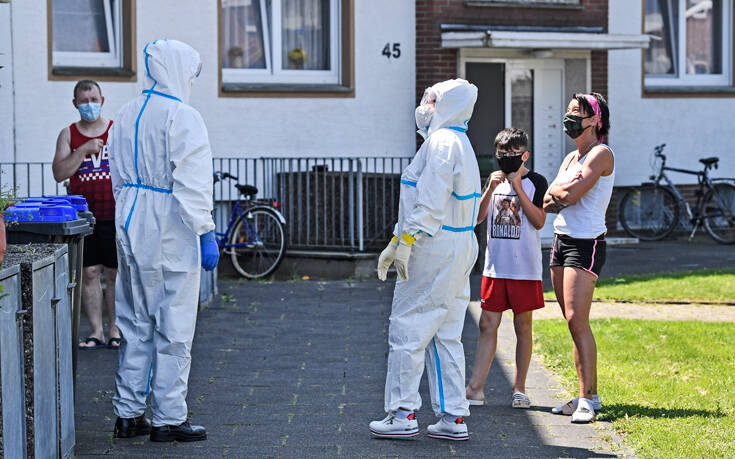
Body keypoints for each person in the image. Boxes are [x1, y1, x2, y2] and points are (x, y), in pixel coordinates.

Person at [107, 39, 219, 442]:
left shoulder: (125, 113)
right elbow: (192, 181)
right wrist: (205, 231)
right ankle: (168, 418)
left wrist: (128, 212)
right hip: (171, 223)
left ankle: (128, 414)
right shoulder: (182, 115)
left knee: (135, 319)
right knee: (174, 321)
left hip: (130, 215)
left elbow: (116, 174)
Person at [371, 79, 480, 441]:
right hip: (457, 244)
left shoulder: (441, 143)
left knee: (409, 326)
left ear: (447, 105)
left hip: (433, 245)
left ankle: (402, 413)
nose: (424, 106)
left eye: (431, 100)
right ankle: (453, 416)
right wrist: (398, 238)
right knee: (445, 333)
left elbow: (430, 202)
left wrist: (405, 240)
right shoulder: (458, 142)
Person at [543, 92, 614, 424]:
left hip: (586, 243)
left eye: (576, 113)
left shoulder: (601, 154)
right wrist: (563, 191)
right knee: (573, 323)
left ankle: (586, 400)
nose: (569, 117)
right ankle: (589, 395)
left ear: (595, 120)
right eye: (568, 111)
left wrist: (563, 192)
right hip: (561, 240)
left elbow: (569, 195)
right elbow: (548, 201)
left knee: (577, 320)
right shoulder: (572, 158)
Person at [465, 128, 548, 410]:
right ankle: (475, 388)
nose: (506, 158)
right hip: (495, 268)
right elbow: (477, 218)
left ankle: (520, 389)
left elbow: (539, 221)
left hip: (524, 269)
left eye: (512, 154)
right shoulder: (494, 181)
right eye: (501, 154)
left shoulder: (536, 182)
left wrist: (518, 188)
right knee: (487, 324)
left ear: (524, 155)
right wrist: (490, 189)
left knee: (522, 326)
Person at [52, 80, 120, 350]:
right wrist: (82, 151)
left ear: (102, 101)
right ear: (75, 103)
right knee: (89, 272)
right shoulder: (68, 134)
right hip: (84, 216)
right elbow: (59, 173)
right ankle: (96, 331)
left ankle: (115, 329)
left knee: (114, 273)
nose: (89, 105)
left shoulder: (116, 130)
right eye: (84, 101)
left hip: (114, 212)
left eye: (94, 100)